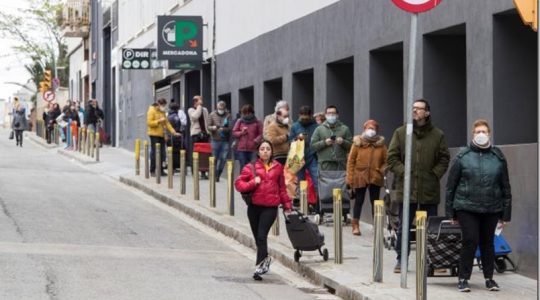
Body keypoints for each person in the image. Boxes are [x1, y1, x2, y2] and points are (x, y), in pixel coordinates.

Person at [445, 119, 511, 293]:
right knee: (470, 240)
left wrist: (506, 215)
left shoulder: (498, 157)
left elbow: (505, 186)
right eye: (477, 132)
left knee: (488, 242)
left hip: (492, 207)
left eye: (484, 131)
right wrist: (450, 212)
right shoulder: (463, 157)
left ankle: (489, 278)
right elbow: (451, 186)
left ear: (489, 134)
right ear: (472, 135)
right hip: (466, 206)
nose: (481, 134)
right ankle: (463, 278)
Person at [387, 99, 450, 273]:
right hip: (406, 189)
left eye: (419, 109)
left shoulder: (438, 135)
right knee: (404, 226)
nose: (415, 111)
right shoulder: (401, 133)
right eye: (413, 108)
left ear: (427, 113)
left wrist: (434, 174)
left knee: (432, 227)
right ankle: (401, 259)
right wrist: (405, 173)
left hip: (429, 188)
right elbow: (391, 158)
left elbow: (444, 158)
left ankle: (433, 260)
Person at [234, 140, 292, 281]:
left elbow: (282, 189)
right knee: (258, 239)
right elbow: (239, 184)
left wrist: (287, 206)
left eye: (268, 149)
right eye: (262, 149)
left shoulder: (278, 167)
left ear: (271, 151)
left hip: (270, 208)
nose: (265, 151)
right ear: (258, 152)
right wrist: (254, 182)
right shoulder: (251, 167)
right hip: (254, 207)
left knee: (262, 236)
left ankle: (259, 268)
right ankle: (265, 260)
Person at [346, 119, 387, 236]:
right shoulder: (357, 143)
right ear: (364, 129)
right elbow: (351, 161)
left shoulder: (381, 145)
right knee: (359, 201)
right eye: (369, 128)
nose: (371, 131)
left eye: (373, 129)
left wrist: (381, 170)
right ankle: (355, 225)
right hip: (360, 176)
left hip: (375, 176)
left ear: (376, 130)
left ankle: (377, 225)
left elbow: (387, 161)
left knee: (375, 201)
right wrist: (350, 179)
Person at [289, 105, 319, 197]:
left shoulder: (316, 126)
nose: (304, 120)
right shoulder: (295, 126)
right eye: (302, 117)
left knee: (317, 181)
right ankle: (303, 206)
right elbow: (290, 141)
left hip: (312, 157)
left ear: (310, 116)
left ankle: (318, 206)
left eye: (306, 118)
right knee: (301, 183)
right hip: (298, 157)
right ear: (299, 115)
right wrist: (297, 138)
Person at [310, 105, 353, 171]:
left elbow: (351, 146)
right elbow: (312, 146)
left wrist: (343, 142)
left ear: (337, 115)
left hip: (340, 166)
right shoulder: (319, 129)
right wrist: (324, 143)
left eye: (333, 113)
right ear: (326, 115)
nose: (331, 115)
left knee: (340, 181)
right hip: (324, 166)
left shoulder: (345, 129)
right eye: (329, 113)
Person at [147, 98, 181, 176]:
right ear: (158, 104)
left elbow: (167, 123)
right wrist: (158, 121)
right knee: (154, 153)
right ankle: (152, 170)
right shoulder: (151, 110)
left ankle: (161, 170)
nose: (164, 107)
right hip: (154, 134)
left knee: (163, 153)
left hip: (162, 134)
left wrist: (174, 132)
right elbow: (149, 123)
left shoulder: (162, 112)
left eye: (164, 105)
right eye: (163, 105)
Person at [232, 104, 263, 170]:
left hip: (253, 149)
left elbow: (261, 134)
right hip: (241, 149)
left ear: (251, 113)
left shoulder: (257, 122)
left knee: (253, 167)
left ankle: (252, 180)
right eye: (244, 113)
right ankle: (243, 180)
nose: (245, 115)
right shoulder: (240, 121)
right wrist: (241, 133)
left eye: (247, 113)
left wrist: (256, 141)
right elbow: (234, 132)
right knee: (243, 167)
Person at [208, 101, 232, 181]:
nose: (221, 110)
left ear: (224, 108)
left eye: (222, 108)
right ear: (217, 107)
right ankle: (214, 175)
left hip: (225, 140)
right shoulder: (212, 115)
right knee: (214, 158)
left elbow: (230, 128)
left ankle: (218, 174)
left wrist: (224, 129)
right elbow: (208, 127)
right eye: (219, 108)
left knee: (223, 159)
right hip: (215, 140)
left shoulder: (228, 115)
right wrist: (213, 128)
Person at [188, 95, 210, 179]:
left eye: (201, 100)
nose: (201, 101)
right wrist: (199, 107)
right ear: (195, 102)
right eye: (198, 100)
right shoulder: (191, 110)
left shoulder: (205, 110)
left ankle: (204, 172)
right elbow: (194, 117)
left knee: (205, 154)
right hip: (196, 134)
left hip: (205, 134)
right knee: (195, 153)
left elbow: (207, 120)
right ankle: (195, 172)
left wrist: (208, 131)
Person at [167, 102, 187, 171]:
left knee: (171, 152)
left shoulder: (168, 115)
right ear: (177, 109)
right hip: (175, 137)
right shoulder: (176, 117)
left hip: (169, 136)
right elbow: (178, 127)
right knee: (178, 152)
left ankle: (172, 168)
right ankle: (177, 166)